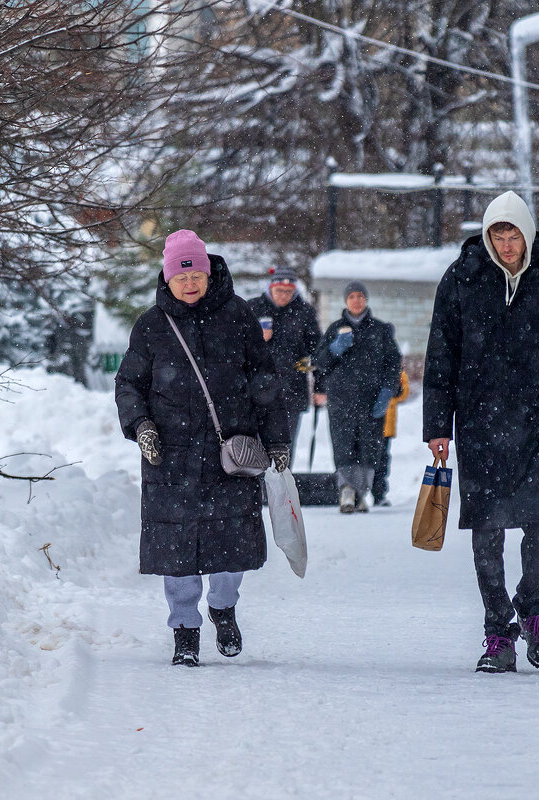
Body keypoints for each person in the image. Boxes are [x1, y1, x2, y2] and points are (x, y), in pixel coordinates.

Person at [423, 191, 539, 674]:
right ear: (486, 237)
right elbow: (440, 354)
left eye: (513, 234)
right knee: (487, 530)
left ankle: (533, 612)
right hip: (481, 421)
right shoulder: (463, 279)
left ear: (527, 232)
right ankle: (496, 632)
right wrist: (437, 425)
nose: (506, 245)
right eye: (497, 236)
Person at [115, 229, 291, 667]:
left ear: (208, 273)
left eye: (197, 276)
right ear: (168, 277)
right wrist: (141, 426)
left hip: (229, 454)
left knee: (232, 547)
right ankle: (185, 631)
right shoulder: (152, 325)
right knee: (177, 552)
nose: (190, 284)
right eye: (181, 277)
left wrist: (278, 440)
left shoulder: (238, 316)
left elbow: (265, 382)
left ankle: (223, 607)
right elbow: (129, 384)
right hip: (169, 457)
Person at [313, 280, 401, 513]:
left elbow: (393, 365)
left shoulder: (380, 330)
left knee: (368, 448)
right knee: (343, 446)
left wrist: (387, 391)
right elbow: (320, 363)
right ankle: (347, 492)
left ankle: (361, 493)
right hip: (341, 401)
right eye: (352, 296)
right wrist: (335, 349)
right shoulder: (335, 329)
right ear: (345, 301)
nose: (356, 300)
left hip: (371, 401)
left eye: (360, 296)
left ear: (366, 299)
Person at [248, 266, 322, 463]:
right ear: (270, 287)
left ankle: (283, 490)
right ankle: (258, 490)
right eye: (280, 290)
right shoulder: (253, 308)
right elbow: (235, 349)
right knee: (256, 447)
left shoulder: (304, 312)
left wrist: (320, 386)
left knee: (284, 448)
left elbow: (317, 352)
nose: (284, 295)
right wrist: (257, 339)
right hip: (256, 392)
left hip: (291, 390)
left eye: (289, 292)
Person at [371, 369, 410, 506]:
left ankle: (379, 493)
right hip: (372, 424)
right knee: (372, 459)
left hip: (386, 427)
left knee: (381, 460)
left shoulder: (395, 371)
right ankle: (369, 491)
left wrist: (396, 386)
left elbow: (404, 393)